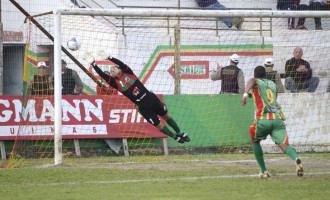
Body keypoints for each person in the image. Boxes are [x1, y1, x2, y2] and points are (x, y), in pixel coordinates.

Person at [84, 51, 190, 144]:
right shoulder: (115, 83)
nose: (112, 71)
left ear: (119, 68)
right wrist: (93, 64)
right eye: (111, 71)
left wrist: (109, 58)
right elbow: (103, 75)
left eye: (114, 68)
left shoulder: (128, 73)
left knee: (166, 116)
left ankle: (180, 133)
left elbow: (121, 63)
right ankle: (175, 137)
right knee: (158, 125)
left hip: (151, 99)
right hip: (142, 106)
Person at [241, 66, 303, 178]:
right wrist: (251, 93)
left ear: (255, 75)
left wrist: (245, 93)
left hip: (264, 119)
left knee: (254, 140)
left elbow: (252, 81)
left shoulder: (255, 81)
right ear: (266, 75)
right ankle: (296, 158)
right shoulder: (273, 85)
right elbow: (269, 98)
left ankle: (264, 171)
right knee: (284, 145)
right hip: (277, 119)